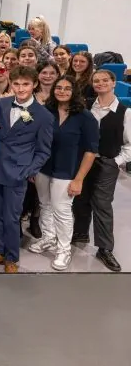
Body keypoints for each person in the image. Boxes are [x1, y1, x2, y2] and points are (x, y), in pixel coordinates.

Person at [0, 66, 54, 274]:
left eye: (26, 84)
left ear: (34, 85)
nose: (21, 88)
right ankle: (0, 252)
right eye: (17, 84)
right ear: (11, 84)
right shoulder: (2, 104)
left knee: (12, 217)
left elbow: (43, 151)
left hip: (18, 173)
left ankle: (12, 257)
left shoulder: (44, 116)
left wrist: (28, 170)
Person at [30, 75, 98, 271]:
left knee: (62, 210)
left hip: (67, 172)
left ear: (74, 91)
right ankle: (48, 238)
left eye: (67, 88)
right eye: (58, 87)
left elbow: (91, 151)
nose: (62, 91)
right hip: (44, 168)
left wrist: (79, 179)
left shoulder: (85, 117)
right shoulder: (45, 111)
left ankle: (63, 249)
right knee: (45, 205)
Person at [72, 69, 130, 272]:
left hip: (107, 162)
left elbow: (129, 144)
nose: (100, 83)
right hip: (83, 160)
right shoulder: (86, 105)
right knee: (81, 198)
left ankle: (104, 248)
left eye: (105, 80)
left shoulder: (125, 112)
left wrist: (116, 162)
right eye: (96, 81)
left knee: (102, 204)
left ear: (114, 83)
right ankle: (80, 232)